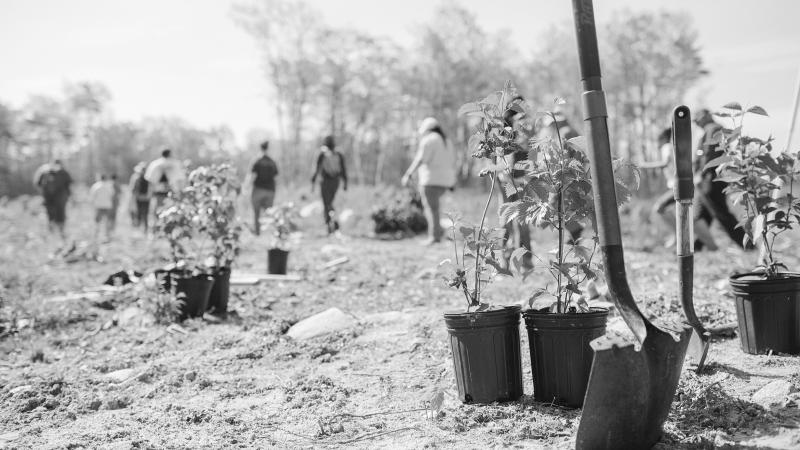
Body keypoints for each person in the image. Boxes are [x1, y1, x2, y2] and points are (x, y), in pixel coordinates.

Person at [639, 127, 718, 250]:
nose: (657, 144)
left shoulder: (666, 147)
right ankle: (710, 245)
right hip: (683, 183)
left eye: (658, 140)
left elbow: (665, 162)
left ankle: (681, 236)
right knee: (691, 218)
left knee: (660, 207)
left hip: (678, 185)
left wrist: (646, 166)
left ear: (663, 138)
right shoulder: (674, 148)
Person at [694, 109, 752, 250]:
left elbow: (710, 152)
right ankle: (697, 245)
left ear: (706, 116)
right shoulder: (714, 129)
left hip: (711, 177)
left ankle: (747, 246)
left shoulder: (712, 128)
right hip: (713, 176)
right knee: (703, 214)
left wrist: (702, 174)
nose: (697, 124)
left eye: (698, 119)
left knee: (721, 213)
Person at [401, 118, 457, 245]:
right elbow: (452, 161)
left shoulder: (429, 140)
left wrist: (408, 173)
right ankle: (438, 233)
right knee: (436, 208)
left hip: (430, 180)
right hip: (445, 181)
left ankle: (434, 236)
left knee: (431, 209)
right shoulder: (446, 141)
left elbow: (420, 159)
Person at [497, 103, 532, 266]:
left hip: (513, 178)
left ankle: (519, 258)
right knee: (513, 218)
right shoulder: (507, 130)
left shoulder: (513, 128)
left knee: (512, 218)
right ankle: (509, 258)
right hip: (511, 178)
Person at [311, 136, 348, 234]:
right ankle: (331, 223)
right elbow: (343, 169)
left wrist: (313, 183)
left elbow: (317, 169)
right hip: (334, 181)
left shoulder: (324, 153)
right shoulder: (336, 153)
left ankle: (330, 223)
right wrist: (345, 182)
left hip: (327, 181)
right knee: (329, 203)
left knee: (327, 203)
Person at [33, 159, 72, 239]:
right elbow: (38, 183)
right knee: (54, 214)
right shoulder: (45, 172)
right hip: (53, 198)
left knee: (56, 214)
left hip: (56, 198)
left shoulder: (62, 173)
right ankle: (55, 233)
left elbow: (69, 184)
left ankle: (59, 232)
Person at [144, 149, 185, 220]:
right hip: (171, 193)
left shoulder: (155, 164)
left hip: (158, 193)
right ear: (169, 154)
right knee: (170, 213)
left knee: (157, 213)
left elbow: (150, 180)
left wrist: (149, 193)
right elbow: (180, 179)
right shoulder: (175, 163)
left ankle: (155, 229)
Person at [250, 140, 279, 235]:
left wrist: (247, 187)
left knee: (257, 213)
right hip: (270, 190)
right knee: (269, 213)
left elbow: (252, 175)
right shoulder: (272, 161)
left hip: (258, 189)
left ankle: (257, 233)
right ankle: (271, 233)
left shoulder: (257, 160)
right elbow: (276, 176)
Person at [89, 174, 115, 242]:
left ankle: (96, 235)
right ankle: (106, 236)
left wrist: (92, 204)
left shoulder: (96, 186)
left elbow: (92, 196)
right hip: (107, 206)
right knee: (106, 221)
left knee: (97, 221)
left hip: (98, 206)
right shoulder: (109, 186)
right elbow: (112, 195)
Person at [128, 162, 150, 232]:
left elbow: (133, 189)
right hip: (143, 198)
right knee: (142, 214)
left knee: (141, 214)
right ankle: (142, 229)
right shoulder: (146, 178)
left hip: (142, 198)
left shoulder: (138, 178)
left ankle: (142, 229)